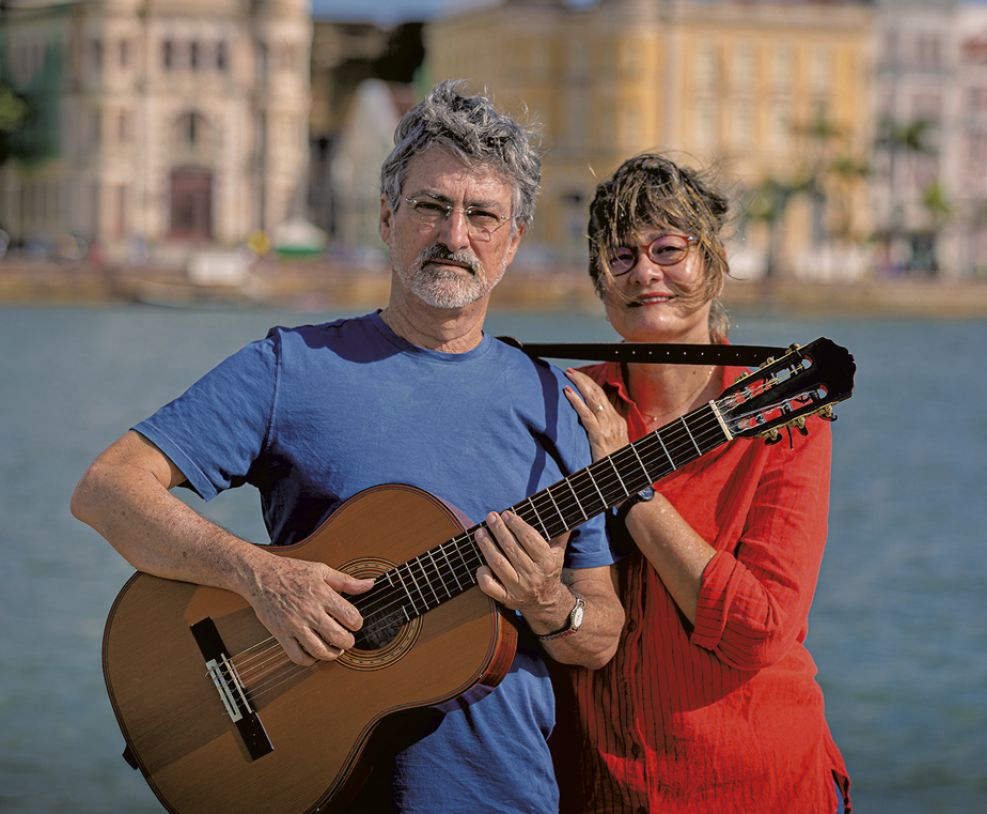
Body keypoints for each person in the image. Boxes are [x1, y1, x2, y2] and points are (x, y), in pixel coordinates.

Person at [70, 80, 623, 813]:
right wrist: (262, 578)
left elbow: (601, 634)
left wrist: (548, 601)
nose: (455, 236)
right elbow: (108, 490)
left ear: (512, 240)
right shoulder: (290, 368)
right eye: (431, 206)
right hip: (315, 788)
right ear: (389, 216)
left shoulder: (560, 406)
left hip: (504, 795)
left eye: (482, 215)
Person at [553, 153, 851, 813]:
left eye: (668, 249)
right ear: (600, 283)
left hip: (756, 784)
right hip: (600, 788)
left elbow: (759, 630)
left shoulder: (788, 421)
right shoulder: (562, 405)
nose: (646, 273)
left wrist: (628, 485)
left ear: (712, 264)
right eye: (621, 257)